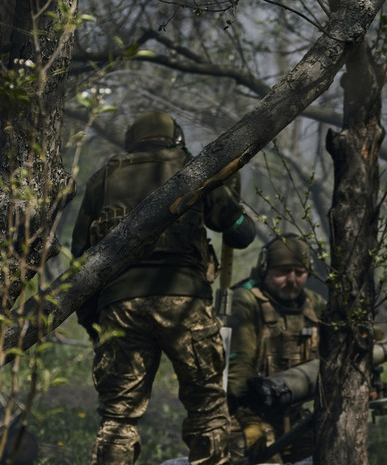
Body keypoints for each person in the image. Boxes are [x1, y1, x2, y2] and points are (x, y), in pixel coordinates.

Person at [71, 111, 256, 465]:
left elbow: (80, 259)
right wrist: (228, 193)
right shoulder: (194, 169)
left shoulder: (103, 178)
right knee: (208, 409)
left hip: (120, 304)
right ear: (176, 138)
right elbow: (242, 234)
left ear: (131, 139)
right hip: (185, 300)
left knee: (118, 418)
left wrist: (94, 322)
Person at [226, 234, 325, 464]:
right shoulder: (245, 302)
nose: (291, 279)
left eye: (299, 273)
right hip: (245, 414)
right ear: (264, 269)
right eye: (282, 271)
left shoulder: (315, 305)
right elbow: (238, 366)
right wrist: (249, 422)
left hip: (295, 416)